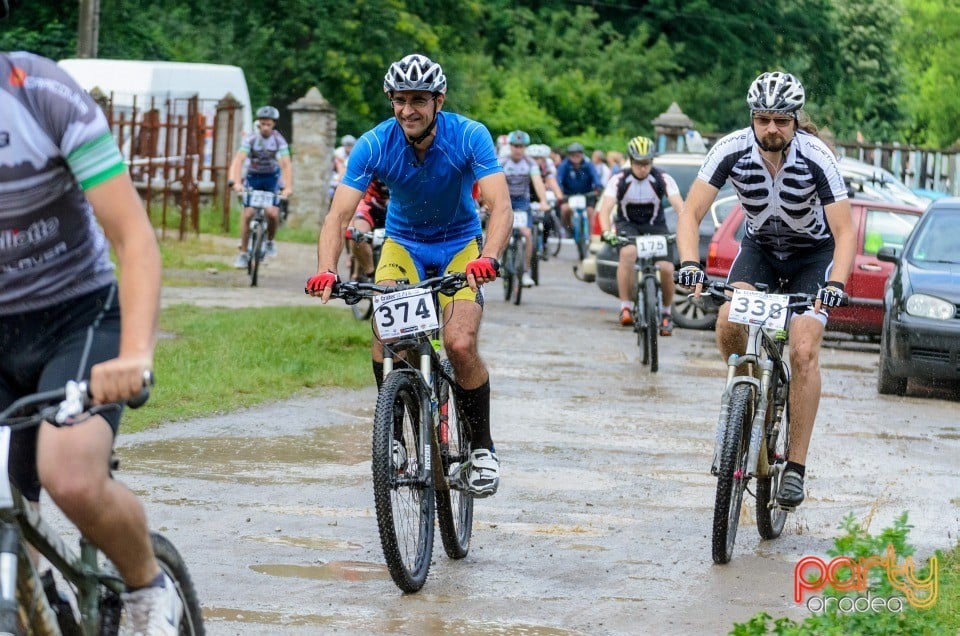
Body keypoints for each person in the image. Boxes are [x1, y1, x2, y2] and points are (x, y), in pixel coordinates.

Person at [0, 50, 181, 633]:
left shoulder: (41, 93)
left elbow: (133, 239)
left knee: (71, 475)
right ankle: (35, 595)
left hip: (77, 315)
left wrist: (134, 354)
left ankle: (147, 589)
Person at [305, 53, 511, 497]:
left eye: (418, 100)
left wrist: (489, 255)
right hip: (403, 245)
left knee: (458, 342)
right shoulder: (374, 144)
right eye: (399, 100)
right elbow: (338, 213)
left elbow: (500, 204)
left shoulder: (469, 135)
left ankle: (481, 448)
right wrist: (326, 269)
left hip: (460, 245)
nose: (407, 110)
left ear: (439, 100)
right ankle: (394, 440)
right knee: (388, 335)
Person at [676, 71, 855, 509]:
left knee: (804, 349)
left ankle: (795, 467)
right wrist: (688, 264)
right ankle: (747, 390)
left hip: (812, 256)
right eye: (763, 119)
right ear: (752, 119)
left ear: (794, 120)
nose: (771, 128)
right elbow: (690, 213)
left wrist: (835, 284)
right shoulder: (730, 150)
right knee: (728, 319)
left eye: (781, 119)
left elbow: (846, 232)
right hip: (760, 250)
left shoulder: (817, 157)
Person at [598, 136, 684, 333]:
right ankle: (625, 307)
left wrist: (684, 228)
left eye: (646, 163)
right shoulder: (619, 179)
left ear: (652, 161)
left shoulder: (662, 178)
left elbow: (681, 208)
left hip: (655, 225)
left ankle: (666, 313)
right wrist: (605, 231)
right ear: (631, 160)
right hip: (627, 224)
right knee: (627, 253)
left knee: (666, 268)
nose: (643, 168)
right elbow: (605, 210)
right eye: (638, 163)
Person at [228, 105, 293, 267]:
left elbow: (286, 164)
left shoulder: (279, 140)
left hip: (272, 179)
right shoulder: (251, 139)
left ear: (273, 124)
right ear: (258, 124)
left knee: (272, 213)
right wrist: (236, 182)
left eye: (268, 124)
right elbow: (239, 161)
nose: (265, 127)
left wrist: (288, 187)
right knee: (248, 213)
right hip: (253, 177)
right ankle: (243, 253)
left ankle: (270, 240)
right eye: (262, 124)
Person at [501, 130, 549, 287]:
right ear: (510, 146)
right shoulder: (502, 162)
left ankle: (526, 271)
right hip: (505, 201)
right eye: (515, 146)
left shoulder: (530, 163)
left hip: (522, 202)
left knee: (527, 234)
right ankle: (500, 259)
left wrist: (543, 200)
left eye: (521, 146)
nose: (518, 149)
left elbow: (537, 182)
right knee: (502, 232)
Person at [346, 176, 389, 281]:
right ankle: (369, 274)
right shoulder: (369, 163)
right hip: (369, 204)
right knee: (357, 235)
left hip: (396, 205)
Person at [557, 142, 603, 238]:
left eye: (578, 155)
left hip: (587, 194)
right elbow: (558, 178)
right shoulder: (564, 165)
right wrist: (559, 190)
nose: (575, 157)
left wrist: (598, 187)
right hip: (569, 195)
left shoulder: (588, 164)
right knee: (564, 210)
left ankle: (591, 236)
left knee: (590, 211)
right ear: (569, 155)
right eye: (573, 155)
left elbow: (595, 176)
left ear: (582, 155)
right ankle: (569, 228)